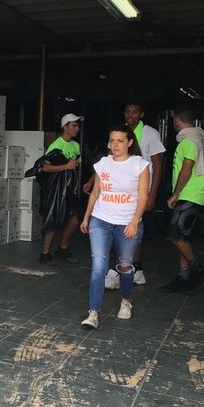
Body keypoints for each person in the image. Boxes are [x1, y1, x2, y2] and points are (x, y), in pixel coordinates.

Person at [79, 125, 150, 328]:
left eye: (120, 140)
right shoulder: (102, 164)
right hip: (101, 221)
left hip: (127, 223)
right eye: (112, 141)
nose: (115, 145)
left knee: (126, 266)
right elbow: (95, 193)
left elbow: (143, 196)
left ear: (129, 142)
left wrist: (135, 220)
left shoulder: (139, 165)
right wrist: (86, 218)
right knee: (99, 266)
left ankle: (126, 301)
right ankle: (93, 313)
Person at [97, 102, 165, 289]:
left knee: (132, 231)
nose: (130, 115)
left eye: (135, 112)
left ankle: (121, 270)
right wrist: (92, 181)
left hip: (140, 191)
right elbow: (108, 161)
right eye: (127, 111)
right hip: (120, 192)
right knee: (120, 230)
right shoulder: (120, 133)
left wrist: (152, 195)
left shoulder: (151, 133)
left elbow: (157, 165)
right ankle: (132, 270)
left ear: (141, 114)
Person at [160, 108, 204, 292]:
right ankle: (183, 276)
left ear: (176, 121)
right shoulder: (195, 137)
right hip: (193, 193)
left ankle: (196, 269)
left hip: (190, 194)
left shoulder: (189, 140)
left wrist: (175, 194)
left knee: (174, 233)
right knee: (183, 236)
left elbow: (186, 169)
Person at [38, 113, 83, 264]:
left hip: (69, 188)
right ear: (65, 127)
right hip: (55, 189)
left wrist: (76, 183)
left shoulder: (76, 146)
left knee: (74, 220)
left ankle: (62, 249)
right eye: (74, 125)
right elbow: (45, 167)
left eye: (78, 125)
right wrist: (66, 166)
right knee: (53, 219)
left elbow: (74, 167)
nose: (77, 128)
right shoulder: (56, 145)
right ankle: (44, 254)